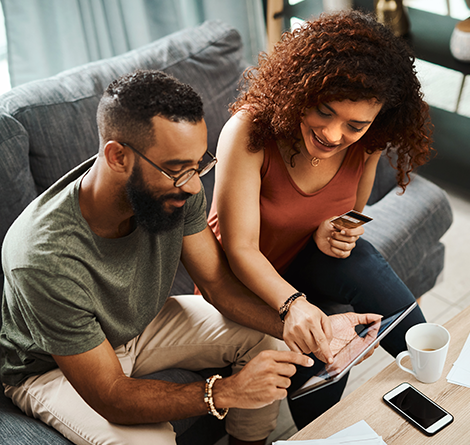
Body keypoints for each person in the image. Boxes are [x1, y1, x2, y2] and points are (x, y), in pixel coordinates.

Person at [0, 70, 380, 445]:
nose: (196, 185)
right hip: (52, 366)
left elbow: (217, 284)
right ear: (117, 157)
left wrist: (317, 330)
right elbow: (111, 395)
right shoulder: (41, 256)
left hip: (140, 323)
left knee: (270, 338)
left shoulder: (179, 185)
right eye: (179, 170)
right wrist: (225, 392)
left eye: (199, 164)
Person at [207, 10, 430, 429]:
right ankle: (323, 430)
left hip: (304, 261)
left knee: (358, 259)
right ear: (301, 88)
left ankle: (437, 371)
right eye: (324, 111)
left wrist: (333, 230)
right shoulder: (250, 131)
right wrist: (293, 304)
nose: (332, 134)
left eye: (354, 124)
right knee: (326, 327)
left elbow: (350, 211)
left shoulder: (370, 140)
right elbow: (238, 249)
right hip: (244, 279)